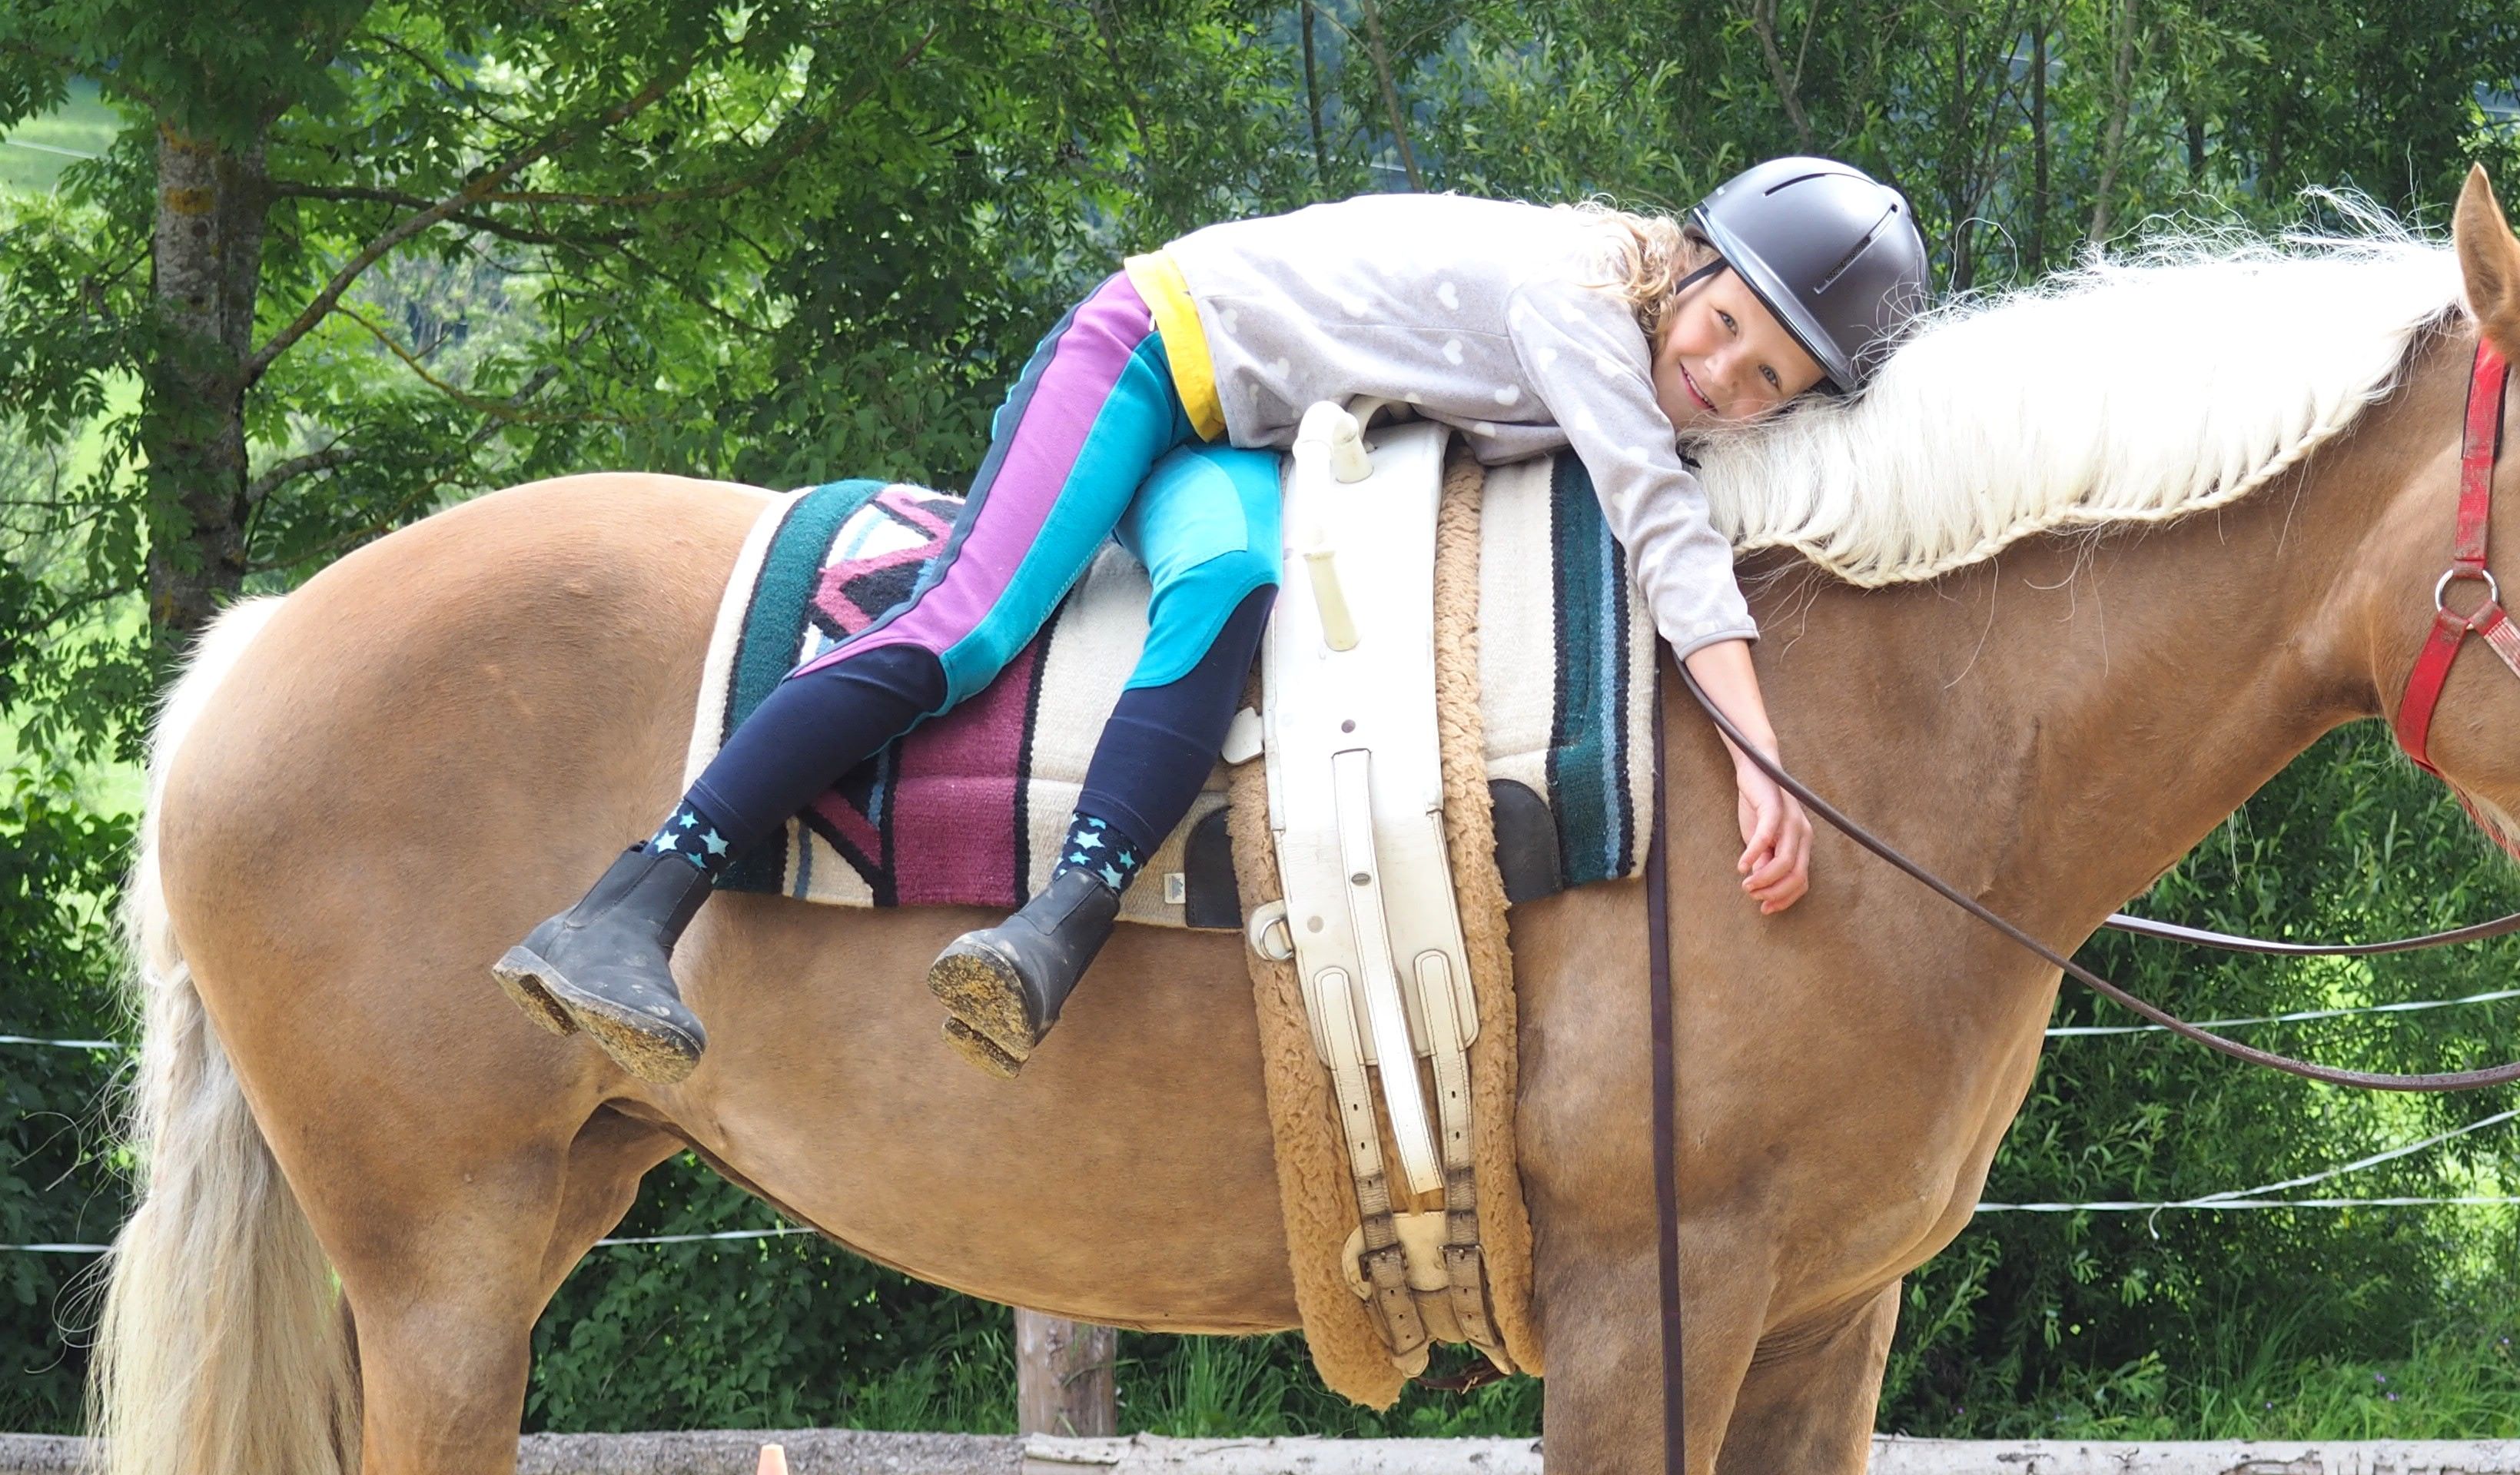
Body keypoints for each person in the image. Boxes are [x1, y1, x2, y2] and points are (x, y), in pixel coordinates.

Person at [496, 159, 1929, 1081]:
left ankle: (1059, 923)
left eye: (1771, 381)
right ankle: (632, 902)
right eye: (1727, 326)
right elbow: (1659, 524)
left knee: (1234, 592)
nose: (1725, 375)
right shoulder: (1585, 307)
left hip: (1245, 435)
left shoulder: (1640, 331)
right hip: (1159, 350)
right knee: (973, 627)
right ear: (1694, 265)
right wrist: (1759, 756)